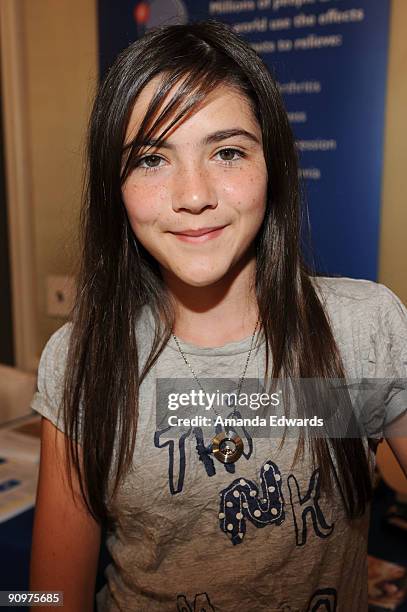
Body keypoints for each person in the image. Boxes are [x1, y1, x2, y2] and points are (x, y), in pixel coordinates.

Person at [29, 19, 407, 612]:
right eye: (152, 159)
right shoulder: (82, 359)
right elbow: (50, 594)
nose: (194, 193)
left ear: (272, 166)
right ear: (115, 185)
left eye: (227, 152)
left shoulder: (362, 329)